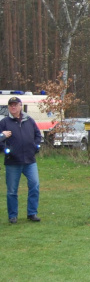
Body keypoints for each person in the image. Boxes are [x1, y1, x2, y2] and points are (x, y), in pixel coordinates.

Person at [0, 96, 43, 224]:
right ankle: (13, 216)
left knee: (34, 185)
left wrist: (36, 146)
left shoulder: (29, 120)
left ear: (20, 106)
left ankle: (32, 213)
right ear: (8, 107)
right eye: (11, 105)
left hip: (30, 161)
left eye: (15, 105)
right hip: (13, 161)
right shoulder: (4, 122)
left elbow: (37, 134)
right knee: (12, 190)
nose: (13, 107)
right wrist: (6, 149)